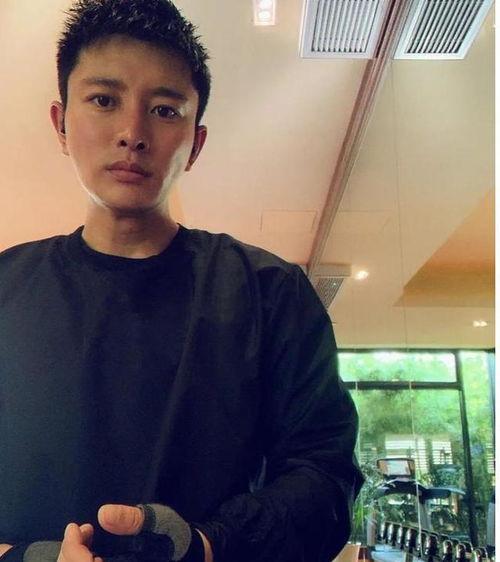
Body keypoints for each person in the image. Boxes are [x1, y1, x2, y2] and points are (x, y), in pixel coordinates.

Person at [0, 1, 363, 561]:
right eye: (104, 100)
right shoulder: (7, 290)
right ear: (61, 124)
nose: (132, 133)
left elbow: (327, 479)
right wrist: (27, 556)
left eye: (165, 110)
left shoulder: (271, 293)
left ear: (195, 142)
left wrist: (207, 543)